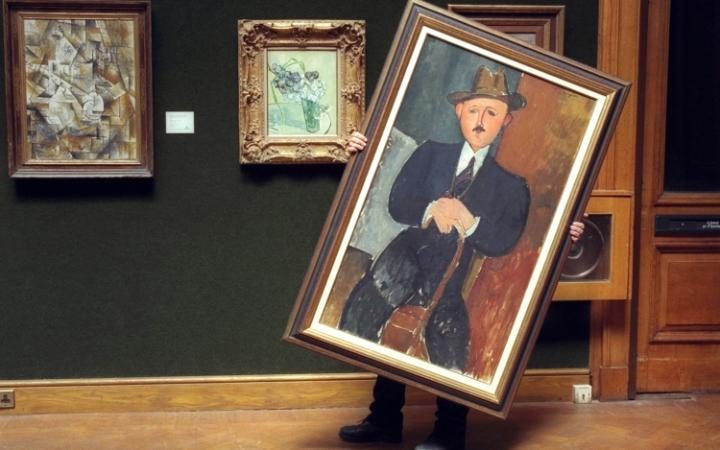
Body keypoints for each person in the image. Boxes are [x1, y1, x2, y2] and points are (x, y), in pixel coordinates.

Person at [337, 65, 586, 450]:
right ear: (459, 112)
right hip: (402, 263)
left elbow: (504, 241)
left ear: (506, 121)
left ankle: (450, 432)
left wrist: (472, 224)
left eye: (492, 112)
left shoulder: (511, 186)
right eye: (473, 110)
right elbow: (397, 202)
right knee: (364, 317)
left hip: (453, 280)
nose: (480, 121)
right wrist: (429, 208)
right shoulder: (430, 153)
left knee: (449, 343)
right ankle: (383, 420)